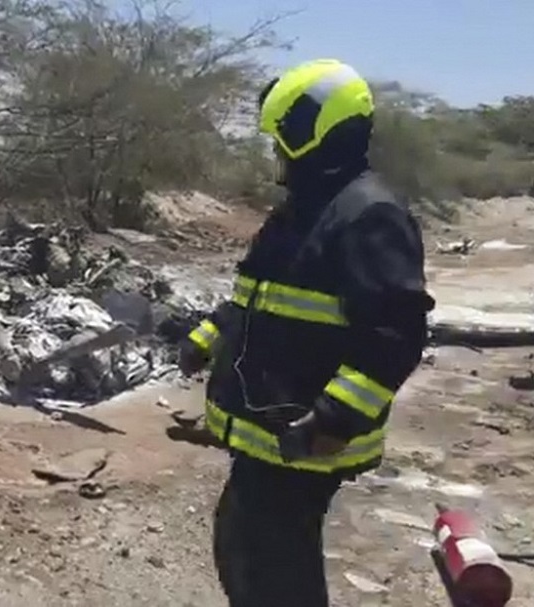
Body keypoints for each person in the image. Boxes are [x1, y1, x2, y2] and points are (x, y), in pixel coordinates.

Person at [178, 59, 435, 607]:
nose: (275, 156)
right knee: (246, 552)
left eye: (280, 141)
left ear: (313, 133)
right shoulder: (306, 210)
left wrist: (334, 417)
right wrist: (207, 334)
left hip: (300, 438)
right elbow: (263, 298)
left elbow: (395, 334)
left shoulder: (368, 214)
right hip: (269, 433)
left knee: (273, 574)